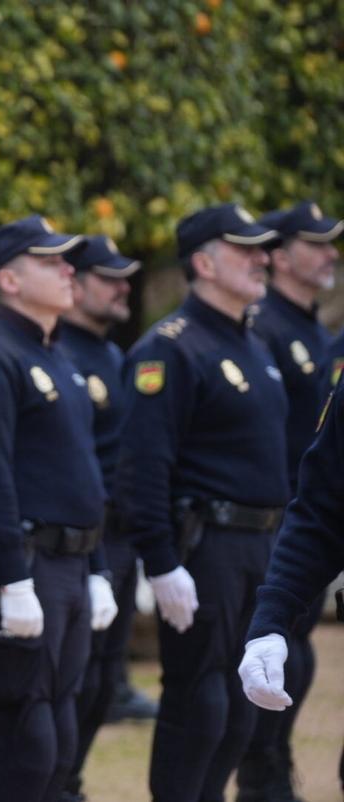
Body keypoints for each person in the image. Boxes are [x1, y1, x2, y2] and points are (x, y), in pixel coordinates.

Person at [115, 204, 288, 802]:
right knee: (200, 702)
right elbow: (142, 465)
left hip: (258, 543)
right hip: (205, 543)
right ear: (205, 262)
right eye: (246, 249)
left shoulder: (254, 345)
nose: (261, 258)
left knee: (243, 705)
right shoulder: (171, 348)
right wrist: (161, 562)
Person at [0, 215, 105, 802]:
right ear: (10, 280)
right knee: (28, 734)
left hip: (69, 564)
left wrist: (95, 569)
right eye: (51, 261)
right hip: (26, 561)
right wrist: (13, 579)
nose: (68, 270)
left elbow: (78, 472)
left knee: (62, 732)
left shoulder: (57, 356)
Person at [238, 200, 341, 802]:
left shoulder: (316, 331)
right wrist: (272, 618)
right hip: (264, 530)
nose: (331, 254)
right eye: (316, 241)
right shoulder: (266, 330)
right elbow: (324, 494)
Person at [53, 236, 141, 802]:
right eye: (108, 277)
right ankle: (58, 785)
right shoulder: (61, 351)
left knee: (108, 677)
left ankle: (73, 782)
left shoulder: (111, 356)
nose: (122, 287)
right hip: (84, 530)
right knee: (74, 679)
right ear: (77, 284)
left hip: (120, 531)